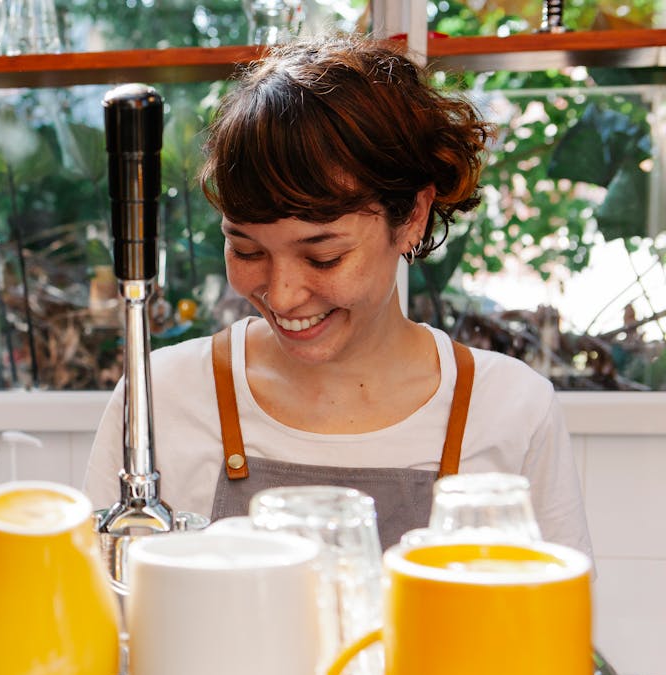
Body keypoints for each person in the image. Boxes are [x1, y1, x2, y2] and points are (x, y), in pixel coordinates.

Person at [84, 35, 592, 555]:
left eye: (322, 256)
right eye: (247, 250)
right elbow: (96, 622)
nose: (281, 295)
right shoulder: (161, 397)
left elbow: (554, 633)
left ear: (412, 215)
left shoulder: (509, 410)